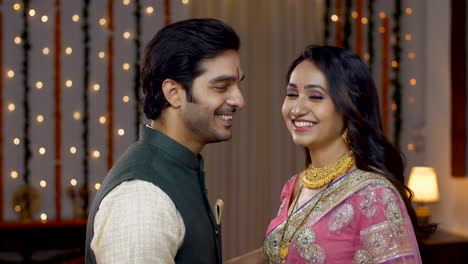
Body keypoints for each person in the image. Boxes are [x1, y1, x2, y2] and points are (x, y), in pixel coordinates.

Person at [85, 18, 245, 264]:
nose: (238, 100)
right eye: (222, 87)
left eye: (237, 85)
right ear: (174, 93)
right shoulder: (141, 200)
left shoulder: (179, 168)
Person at [263, 45, 434, 263]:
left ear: (349, 107)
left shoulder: (373, 196)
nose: (296, 109)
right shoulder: (294, 186)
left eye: (315, 96)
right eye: (292, 94)